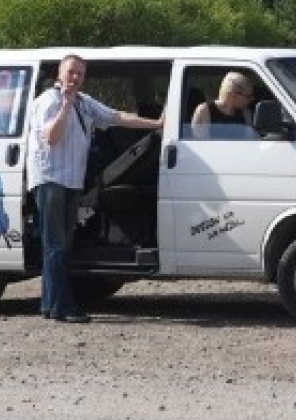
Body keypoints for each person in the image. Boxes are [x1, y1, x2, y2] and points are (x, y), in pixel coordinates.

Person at [31, 55, 163, 324]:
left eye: (80, 73)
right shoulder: (49, 100)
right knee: (56, 246)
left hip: (71, 180)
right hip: (51, 179)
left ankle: (50, 305)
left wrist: (157, 124)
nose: (76, 77)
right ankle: (62, 306)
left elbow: (116, 117)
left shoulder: (84, 102)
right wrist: (65, 105)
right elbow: (51, 137)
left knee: (60, 246)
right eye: (71, 72)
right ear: (60, 73)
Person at [189, 72, 254, 135]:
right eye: (248, 96)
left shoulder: (246, 114)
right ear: (233, 95)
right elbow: (200, 143)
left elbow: (250, 141)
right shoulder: (205, 111)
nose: (252, 99)